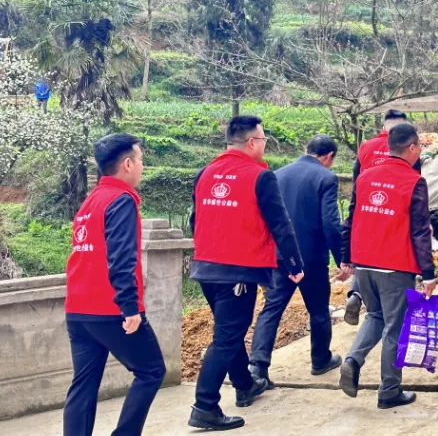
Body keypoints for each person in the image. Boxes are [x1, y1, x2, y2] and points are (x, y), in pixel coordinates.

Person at [187, 115, 305, 431]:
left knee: (230, 330)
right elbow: (280, 224)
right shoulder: (259, 177)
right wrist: (294, 265)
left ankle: (245, 383)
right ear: (252, 142)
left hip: (205, 268)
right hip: (237, 271)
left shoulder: (205, 173)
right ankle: (205, 406)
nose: (264, 146)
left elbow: (194, 220)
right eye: (264, 140)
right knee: (227, 336)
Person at [63, 133, 166, 436]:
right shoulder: (120, 201)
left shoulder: (91, 201)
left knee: (83, 384)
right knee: (151, 371)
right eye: (141, 160)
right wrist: (129, 307)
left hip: (78, 311)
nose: (143, 166)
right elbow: (121, 258)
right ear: (127, 163)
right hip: (109, 308)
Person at [338, 123, 437, 409]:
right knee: (396, 327)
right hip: (395, 265)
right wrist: (428, 273)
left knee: (376, 316)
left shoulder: (365, 177)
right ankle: (389, 390)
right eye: (419, 147)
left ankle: (353, 360)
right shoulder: (413, 181)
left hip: (365, 263)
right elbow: (420, 231)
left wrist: (347, 258)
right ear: (412, 148)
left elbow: (350, 220)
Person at [249, 134, 348, 387]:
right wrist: (342, 258)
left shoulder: (278, 175)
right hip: (311, 258)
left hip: (280, 256)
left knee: (271, 309)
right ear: (328, 156)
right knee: (318, 310)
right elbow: (331, 223)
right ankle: (320, 359)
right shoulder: (326, 177)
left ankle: (258, 367)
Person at [342, 109, 420, 325]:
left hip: (366, 208)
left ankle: (357, 294)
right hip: (394, 212)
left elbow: (356, 179)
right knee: (389, 264)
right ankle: (387, 311)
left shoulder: (366, 146)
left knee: (368, 254)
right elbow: (416, 177)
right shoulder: (407, 147)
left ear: (384, 126)